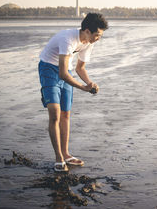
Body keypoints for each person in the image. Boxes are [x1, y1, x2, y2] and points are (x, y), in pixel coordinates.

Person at [38, 13, 108, 172]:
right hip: (48, 68)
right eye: (97, 35)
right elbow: (62, 74)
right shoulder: (67, 39)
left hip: (66, 70)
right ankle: (59, 158)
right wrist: (83, 88)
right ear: (87, 31)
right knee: (55, 113)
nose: (98, 39)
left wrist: (89, 83)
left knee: (66, 114)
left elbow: (79, 68)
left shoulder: (89, 42)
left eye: (100, 36)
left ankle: (66, 154)